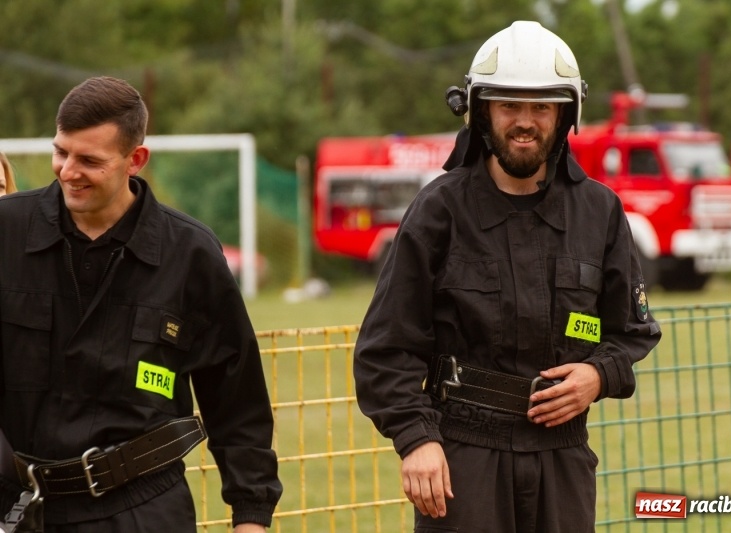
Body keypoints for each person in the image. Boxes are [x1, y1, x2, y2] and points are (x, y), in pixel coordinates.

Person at [353, 21, 661, 532]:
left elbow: (630, 332)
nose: (525, 121)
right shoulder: (439, 211)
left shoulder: (599, 212)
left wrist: (597, 375)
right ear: (481, 112)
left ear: (565, 115)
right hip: (464, 459)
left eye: (541, 107)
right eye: (509, 106)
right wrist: (416, 439)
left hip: (562, 459)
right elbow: (386, 348)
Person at [0, 76, 281, 532]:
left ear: (136, 160)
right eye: (61, 152)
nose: (68, 171)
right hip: (18, 508)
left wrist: (251, 515)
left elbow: (236, 398)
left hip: (143, 509)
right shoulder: (5, 233)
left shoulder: (190, 254)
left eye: (89, 160)